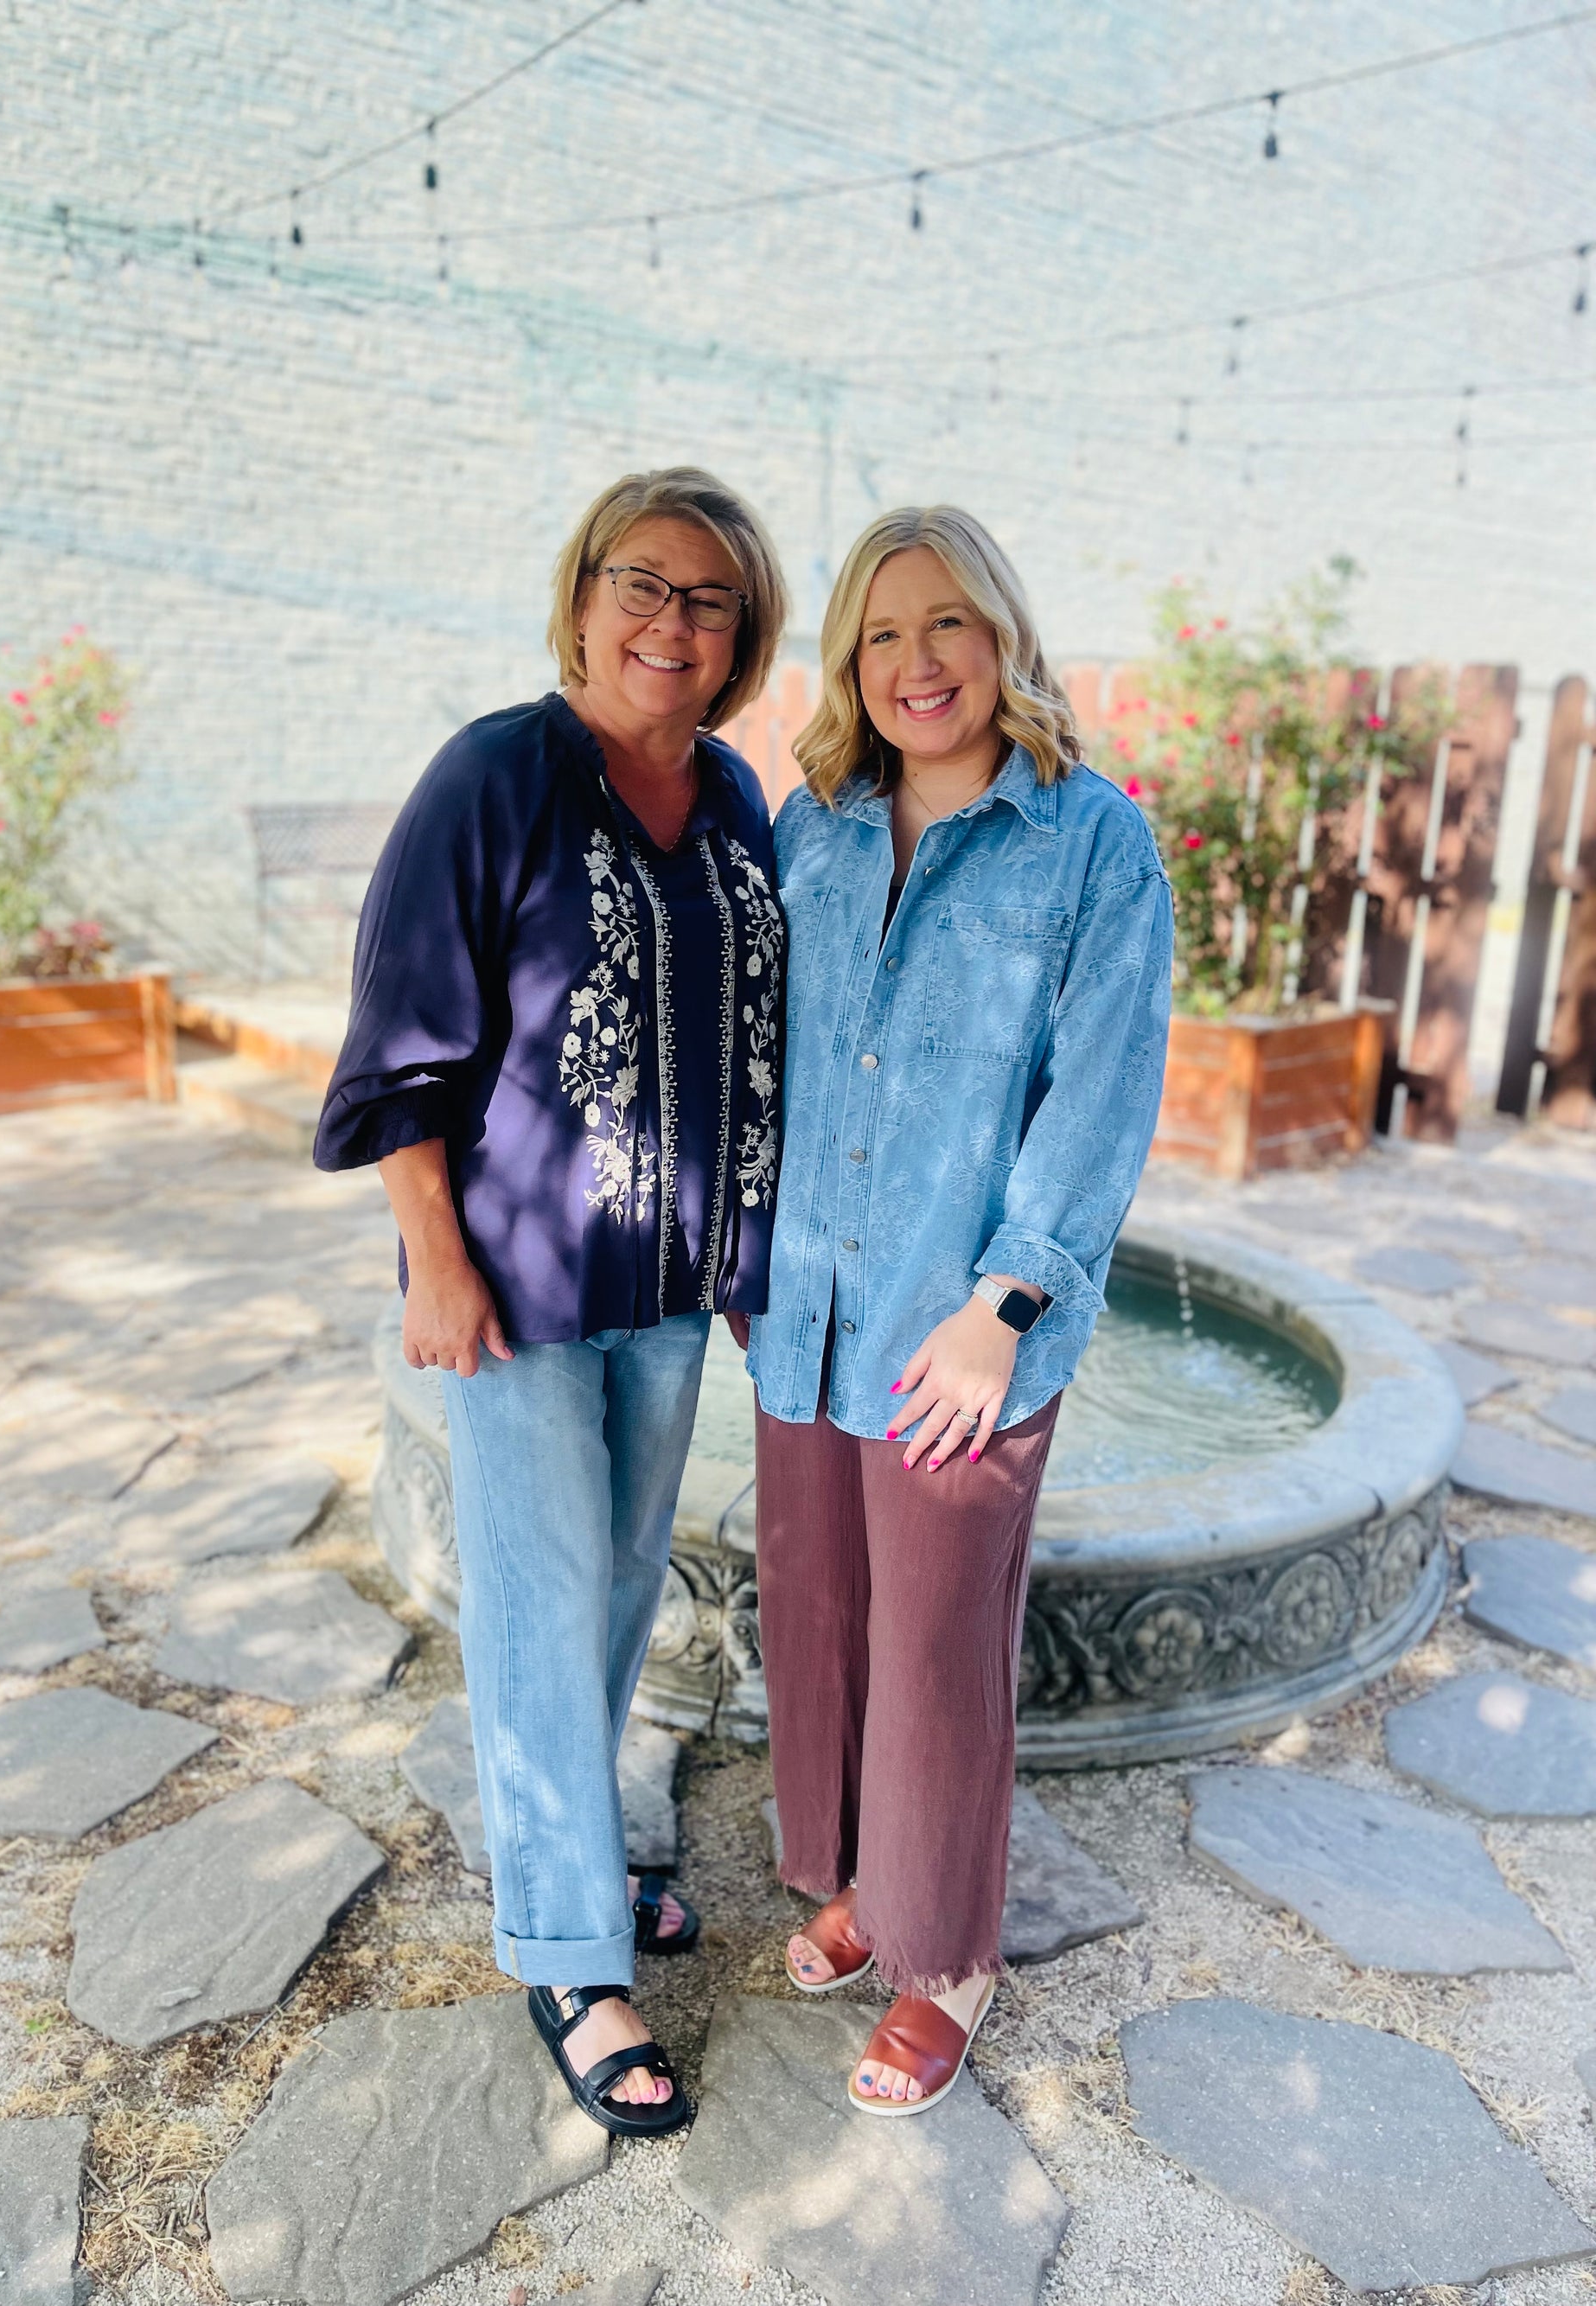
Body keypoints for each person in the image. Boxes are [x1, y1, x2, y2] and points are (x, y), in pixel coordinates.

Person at [316, 468, 788, 2137]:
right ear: (584, 596)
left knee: (607, 1591)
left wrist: (744, 1251)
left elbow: (747, 1045)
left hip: (659, 1286)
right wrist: (433, 1259)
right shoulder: (495, 775)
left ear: (745, 633)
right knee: (531, 1601)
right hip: (513, 1286)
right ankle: (574, 1955)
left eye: (710, 598)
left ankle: (569, 1863)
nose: (673, 621)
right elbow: (403, 1037)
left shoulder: (733, 793)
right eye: (644, 584)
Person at [748, 505, 1171, 2115]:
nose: (917, 662)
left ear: (1001, 635)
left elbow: (1102, 1091)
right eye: (882, 633)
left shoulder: (1089, 838)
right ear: (851, 660)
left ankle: (950, 1962)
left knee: (933, 1647)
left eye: (948, 625)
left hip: (963, 1323)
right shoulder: (820, 824)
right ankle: (873, 1884)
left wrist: (1008, 1301)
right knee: (827, 1617)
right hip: (813, 1308)